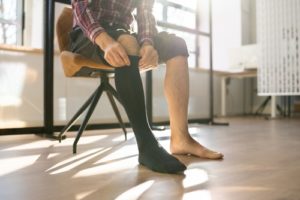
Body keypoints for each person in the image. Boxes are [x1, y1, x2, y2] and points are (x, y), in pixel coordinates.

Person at [70, 0, 223, 174]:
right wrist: (105, 42)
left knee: (177, 44)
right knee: (127, 41)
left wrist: (148, 43)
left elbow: (145, 12)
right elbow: (79, 8)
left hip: (123, 32)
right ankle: (146, 145)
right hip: (88, 35)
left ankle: (181, 138)